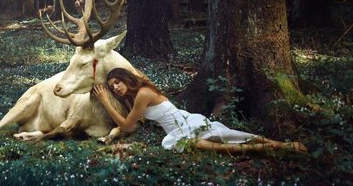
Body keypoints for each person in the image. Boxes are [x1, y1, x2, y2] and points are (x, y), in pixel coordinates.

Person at [93, 68, 307, 154]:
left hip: (183, 126)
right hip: (185, 121)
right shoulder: (141, 91)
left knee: (220, 138)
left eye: (117, 82)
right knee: (227, 135)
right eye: (112, 87)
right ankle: (276, 146)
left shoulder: (142, 94)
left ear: (126, 79)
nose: (115, 88)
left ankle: (272, 146)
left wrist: (106, 101)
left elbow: (128, 126)